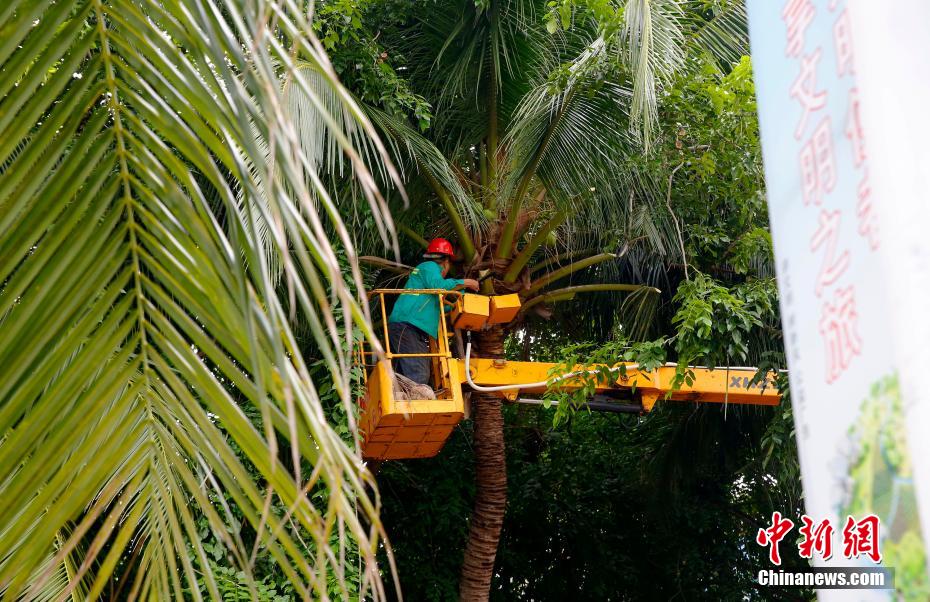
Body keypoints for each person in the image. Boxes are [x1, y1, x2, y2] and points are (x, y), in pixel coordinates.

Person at [387, 238, 479, 387]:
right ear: (445, 261)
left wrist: (457, 305)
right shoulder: (429, 266)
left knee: (406, 374)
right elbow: (439, 285)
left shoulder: (427, 288)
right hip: (408, 326)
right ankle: (416, 407)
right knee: (418, 374)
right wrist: (466, 282)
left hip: (407, 326)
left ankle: (405, 403)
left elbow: (439, 307)